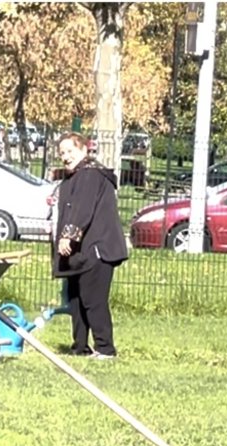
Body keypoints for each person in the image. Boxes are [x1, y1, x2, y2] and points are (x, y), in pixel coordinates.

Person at [52, 132, 129, 359]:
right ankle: (80, 347)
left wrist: (69, 235)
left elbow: (82, 209)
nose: (66, 157)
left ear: (84, 150)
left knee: (93, 300)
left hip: (98, 250)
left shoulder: (90, 174)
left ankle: (105, 349)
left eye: (70, 151)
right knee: (76, 300)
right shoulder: (75, 176)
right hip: (80, 253)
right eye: (62, 153)